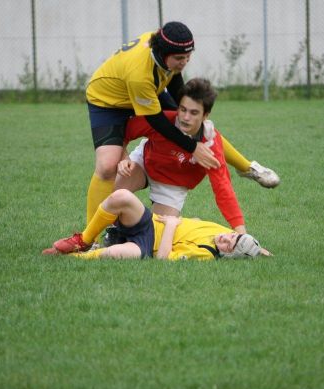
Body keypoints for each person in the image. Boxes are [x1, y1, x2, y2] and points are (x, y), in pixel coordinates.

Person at [83, 21, 279, 237]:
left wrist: (193, 122)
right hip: (108, 102)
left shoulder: (164, 45)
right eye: (179, 58)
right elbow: (155, 121)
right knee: (107, 167)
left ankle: (247, 167)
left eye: (188, 56)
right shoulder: (140, 74)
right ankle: (89, 239)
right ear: (163, 52)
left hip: (145, 94)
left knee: (195, 125)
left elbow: (176, 83)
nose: (184, 62)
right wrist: (191, 147)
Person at [115, 77, 247, 234]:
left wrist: (242, 236)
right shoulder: (163, 121)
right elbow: (123, 132)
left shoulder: (211, 144)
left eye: (194, 112)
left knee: (156, 236)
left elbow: (223, 188)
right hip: (145, 162)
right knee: (115, 191)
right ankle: (111, 231)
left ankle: (184, 224)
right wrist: (124, 157)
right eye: (183, 109)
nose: (185, 117)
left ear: (206, 115)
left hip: (173, 186)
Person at [42, 189, 271, 260]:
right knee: (120, 196)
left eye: (231, 243)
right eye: (232, 235)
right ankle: (83, 240)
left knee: (112, 255)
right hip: (148, 222)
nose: (227, 237)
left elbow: (163, 259)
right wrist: (258, 249)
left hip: (147, 246)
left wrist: (171, 224)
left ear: (230, 255)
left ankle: (70, 258)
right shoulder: (224, 232)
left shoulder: (207, 254)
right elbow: (243, 244)